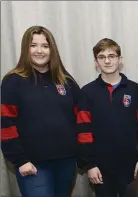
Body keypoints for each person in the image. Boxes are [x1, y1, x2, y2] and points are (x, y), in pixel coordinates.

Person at [1, 25, 80, 197]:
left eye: (45, 46)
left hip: (66, 161)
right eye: (33, 45)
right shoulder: (13, 81)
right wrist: (20, 160)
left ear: (52, 50)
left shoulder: (67, 81)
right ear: (25, 49)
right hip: (33, 165)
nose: (39, 51)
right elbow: (6, 125)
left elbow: (80, 119)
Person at [76, 38, 138, 197]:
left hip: (130, 165)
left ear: (120, 60)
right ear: (96, 62)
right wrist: (90, 164)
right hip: (101, 168)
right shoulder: (87, 92)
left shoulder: (134, 90)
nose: (107, 61)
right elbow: (83, 132)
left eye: (112, 56)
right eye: (101, 57)